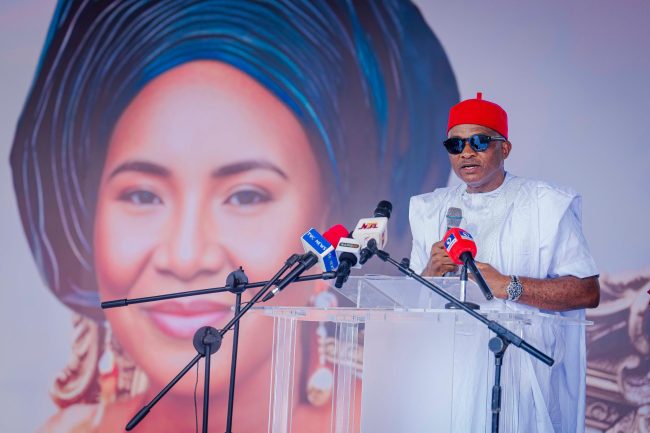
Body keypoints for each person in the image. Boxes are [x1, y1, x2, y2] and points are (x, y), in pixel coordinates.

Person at [10, 1, 458, 432]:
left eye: (245, 196)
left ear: (326, 215)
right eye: (143, 195)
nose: (185, 257)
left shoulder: (391, 423)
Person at [408, 92, 600, 432]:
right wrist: (429, 274)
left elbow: (587, 291)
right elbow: (407, 306)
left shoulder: (546, 204)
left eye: (479, 142)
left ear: (505, 149)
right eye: (455, 145)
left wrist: (508, 286)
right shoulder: (430, 211)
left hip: (522, 375)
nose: (466, 153)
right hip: (449, 376)